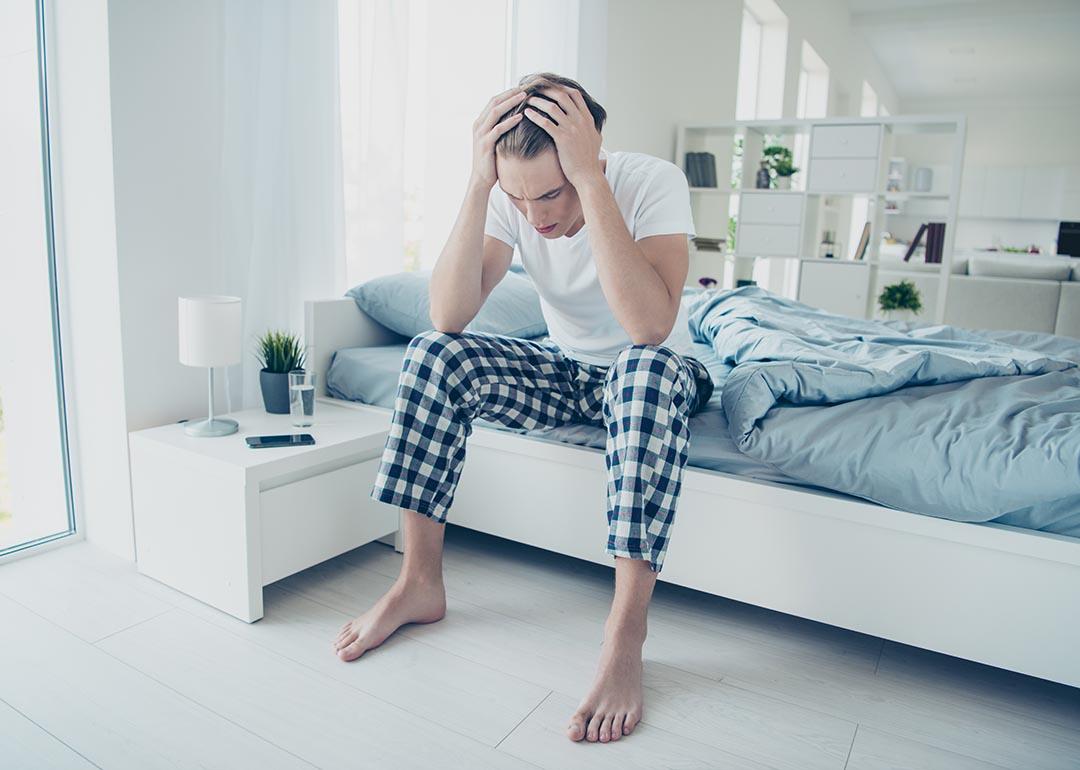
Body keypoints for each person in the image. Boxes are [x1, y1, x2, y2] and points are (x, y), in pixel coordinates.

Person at [331, 72, 713, 745]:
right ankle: (419, 581)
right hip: (565, 373)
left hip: (659, 369)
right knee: (432, 352)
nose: (536, 216)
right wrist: (482, 187)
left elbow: (649, 327)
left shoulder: (649, 182)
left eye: (552, 193)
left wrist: (591, 187)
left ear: (590, 155)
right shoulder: (510, 198)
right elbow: (449, 315)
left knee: (644, 370)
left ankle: (625, 634)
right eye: (519, 196)